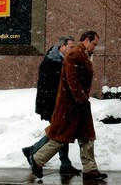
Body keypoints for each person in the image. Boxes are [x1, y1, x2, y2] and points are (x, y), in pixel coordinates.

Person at [30, 31, 108, 181]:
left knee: (87, 137)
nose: (94, 47)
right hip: (71, 106)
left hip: (78, 105)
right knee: (60, 138)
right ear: (86, 40)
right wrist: (82, 100)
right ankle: (37, 159)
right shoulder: (74, 55)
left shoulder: (82, 55)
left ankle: (90, 169)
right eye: (94, 44)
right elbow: (73, 82)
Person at [22, 36, 80, 175]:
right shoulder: (51, 62)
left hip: (59, 104)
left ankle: (33, 150)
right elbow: (50, 88)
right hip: (52, 105)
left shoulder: (62, 60)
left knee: (59, 131)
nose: (73, 50)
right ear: (62, 46)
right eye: (71, 47)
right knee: (59, 132)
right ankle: (62, 163)